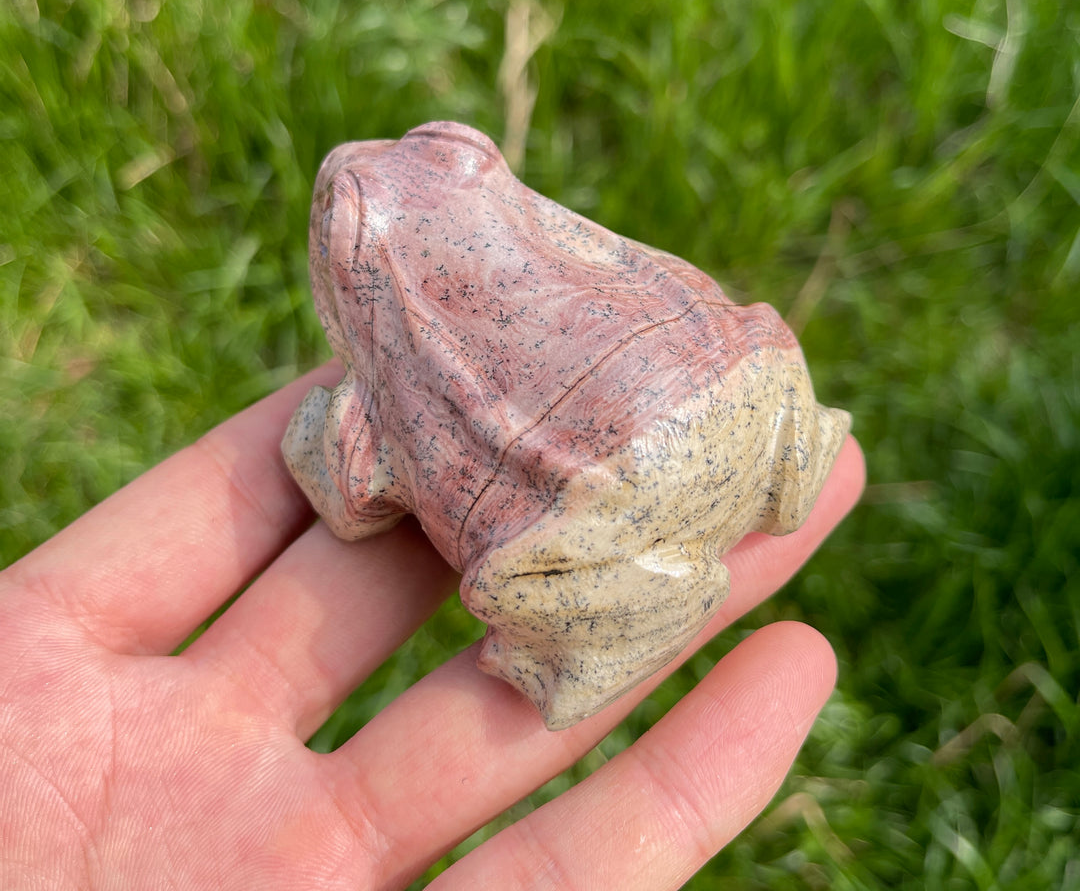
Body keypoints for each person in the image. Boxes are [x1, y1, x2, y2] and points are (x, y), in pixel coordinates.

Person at [0, 363, 864, 889]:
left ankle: (579, 655)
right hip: (700, 422)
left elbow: (343, 484)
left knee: (503, 574)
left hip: (601, 492)